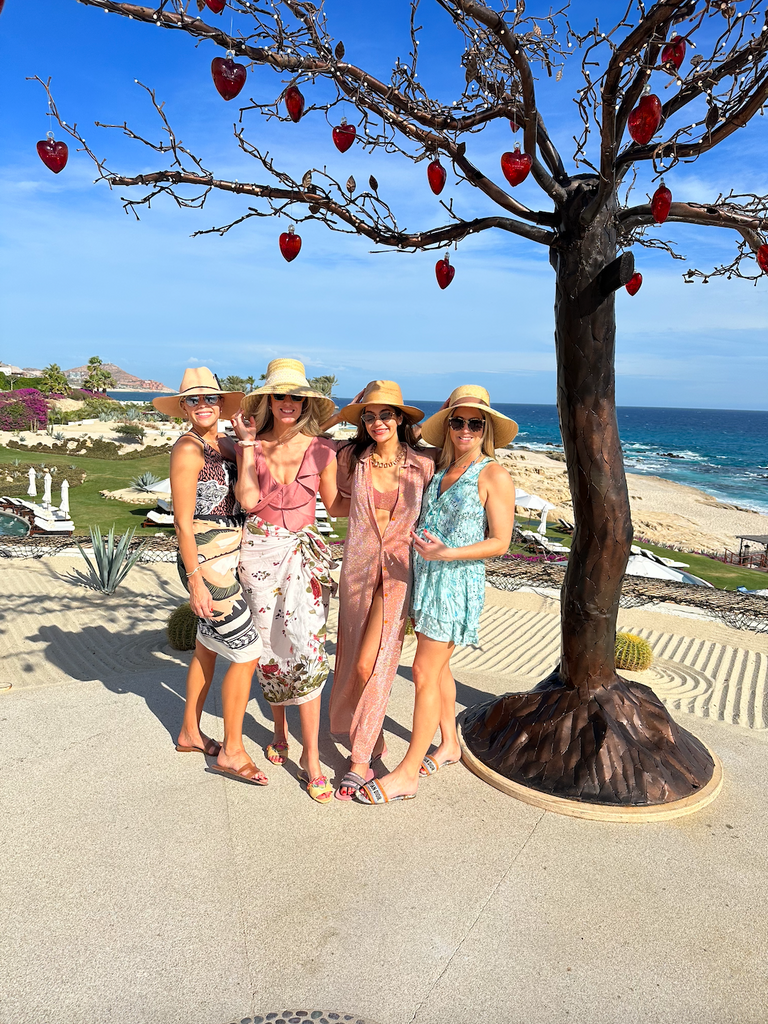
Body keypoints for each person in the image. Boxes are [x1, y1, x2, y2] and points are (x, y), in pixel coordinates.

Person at [356, 385, 518, 805]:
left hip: (454, 585)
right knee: (440, 670)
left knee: (425, 673)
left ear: (486, 430)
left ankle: (407, 773)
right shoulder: (441, 467)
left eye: (475, 422)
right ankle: (449, 744)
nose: (465, 428)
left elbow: (501, 541)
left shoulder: (492, 474)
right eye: (457, 420)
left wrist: (449, 552)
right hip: (425, 579)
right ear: (447, 425)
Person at [154, 368, 267, 786]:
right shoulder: (187, 448)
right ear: (183, 407)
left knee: (206, 646)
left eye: (211, 399)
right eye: (194, 400)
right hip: (206, 563)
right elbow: (182, 522)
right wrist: (196, 580)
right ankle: (233, 752)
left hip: (228, 556)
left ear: (222, 404)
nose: (204, 406)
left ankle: (189, 732)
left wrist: (248, 442)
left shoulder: (223, 443)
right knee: (246, 652)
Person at [233, 358, 339, 804]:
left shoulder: (323, 450)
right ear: (269, 401)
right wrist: (245, 448)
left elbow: (336, 507)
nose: (289, 403)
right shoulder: (251, 446)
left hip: (303, 557)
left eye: (297, 396)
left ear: (306, 402)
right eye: (281, 395)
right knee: (270, 651)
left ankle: (312, 757)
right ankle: (279, 733)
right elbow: (248, 500)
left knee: (308, 651)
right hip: (258, 554)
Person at [326, 381, 434, 800]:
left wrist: (444, 419)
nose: (376, 423)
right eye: (369, 416)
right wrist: (345, 412)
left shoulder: (423, 465)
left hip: (399, 573)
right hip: (357, 570)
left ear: (401, 418)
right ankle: (370, 737)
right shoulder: (352, 458)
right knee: (353, 662)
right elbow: (335, 497)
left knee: (376, 661)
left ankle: (359, 760)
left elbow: (463, 450)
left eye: (386, 414)